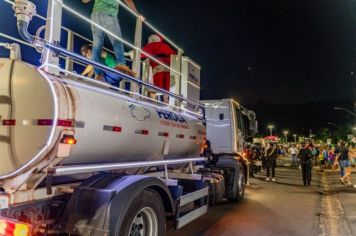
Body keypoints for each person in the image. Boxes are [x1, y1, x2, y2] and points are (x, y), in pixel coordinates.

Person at [82, 0, 140, 80]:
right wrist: (137, 14)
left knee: (97, 44)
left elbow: (85, 0)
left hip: (96, 14)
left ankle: (98, 74)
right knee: (117, 42)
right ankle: (122, 66)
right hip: (109, 14)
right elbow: (128, 0)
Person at [141, 34, 176, 102]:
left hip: (156, 66)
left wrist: (131, 53)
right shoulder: (166, 46)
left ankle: (153, 101)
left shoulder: (152, 45)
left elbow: (142, 52)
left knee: (154, 86)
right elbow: (174, 55)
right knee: (166, 86)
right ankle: (166, 100)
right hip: (168, 68)